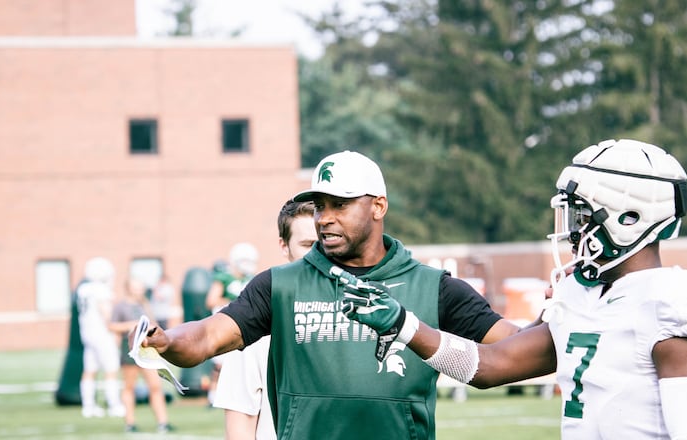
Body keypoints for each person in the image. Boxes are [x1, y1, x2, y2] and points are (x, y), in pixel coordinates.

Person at [341, 139, 687, 439]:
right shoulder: (579, 295)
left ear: (629, 218)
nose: (572, 230)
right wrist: (404, 325)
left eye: (581, 215)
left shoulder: (669, 301)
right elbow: (488, 366)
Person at [133, 150, 523, 440]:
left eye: (340, 205)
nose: (325, 218)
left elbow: (515, 348)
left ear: (378, 206)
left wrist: (552, 317)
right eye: (320, 206)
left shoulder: (434, 287)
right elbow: (206, 336)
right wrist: (169, 340)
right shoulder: (279, 285)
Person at [212, 199, 317, 440]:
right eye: (307, 244)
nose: (318, 254)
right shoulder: (253, 322)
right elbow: (240, 427)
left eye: (325, 242)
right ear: (284, 246)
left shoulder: (366, 315)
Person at [110, 277, 173, 433]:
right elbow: (112, 326)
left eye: (140, 287)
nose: (139, 290)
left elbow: (153, 323)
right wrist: (130, 325)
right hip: (130, 350)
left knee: (155, 386)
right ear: (128, 288)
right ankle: (130, 423)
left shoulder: (145, 304)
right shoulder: (121, 306)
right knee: (129, 387)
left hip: (147, 350)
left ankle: (163, 422)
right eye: (136, 287)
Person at [205, 241, 260, 403]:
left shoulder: (252, 279)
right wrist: (235, 303)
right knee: (220, 364)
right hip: (224, 324)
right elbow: (211, 301)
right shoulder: (224, 278)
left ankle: (238, 395)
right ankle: (212, 395)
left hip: (244, 326)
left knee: (244, 364)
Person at [77, 257, 125, 418]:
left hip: (87, 333)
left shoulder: (83, 289)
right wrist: (115, 332)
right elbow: (107, 315)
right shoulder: (101, 290)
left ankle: (88, 406)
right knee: (111, 370)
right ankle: (114, 405)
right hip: (102, 334)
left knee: (89, 370)